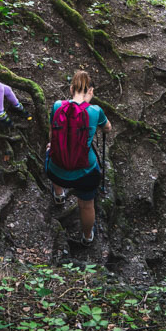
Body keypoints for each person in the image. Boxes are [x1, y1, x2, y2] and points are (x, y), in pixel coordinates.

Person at [46, 71, 111, 246]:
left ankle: (59, 195)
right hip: (85, 174)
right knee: (87, 205)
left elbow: (52, 135)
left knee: (53, 151)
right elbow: (108, 128)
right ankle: (87, 236)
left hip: (56, 172)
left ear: (71, 88)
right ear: (91, 91)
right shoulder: (96, 111)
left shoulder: (57, 106)